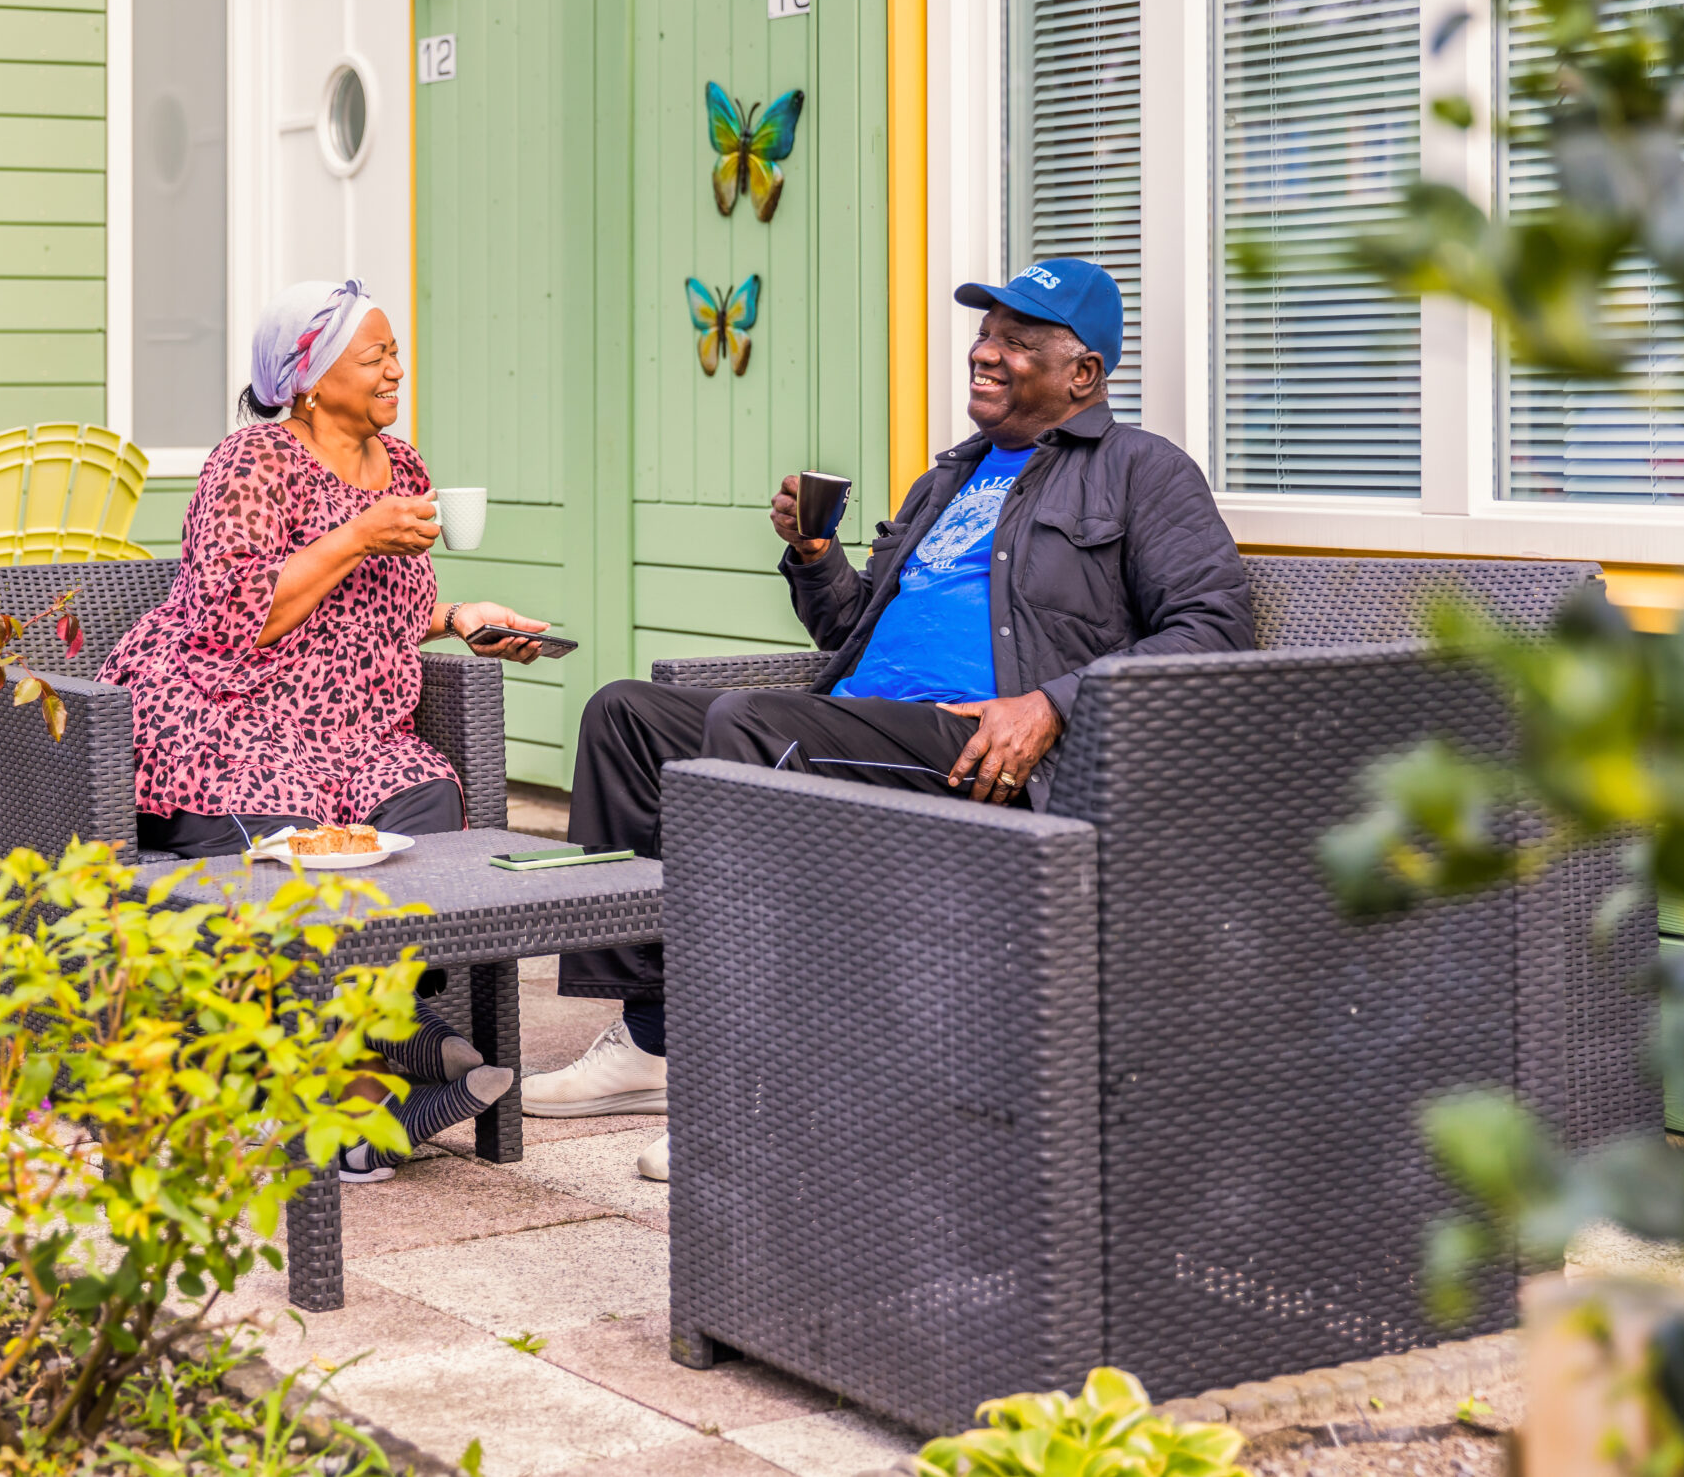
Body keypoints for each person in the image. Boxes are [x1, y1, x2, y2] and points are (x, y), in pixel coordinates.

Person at [522, 259, 1254, 1182]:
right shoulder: (949, 477)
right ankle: (654, 1041)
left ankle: (768, 1088)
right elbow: (849, 628)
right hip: (863, 722)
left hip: (983, 750)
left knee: (753, 730)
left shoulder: (1142, 470)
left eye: (1017, 342)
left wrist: (1053, 704)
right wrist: (812, 552)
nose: (985, 353)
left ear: (1083, 374)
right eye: (985, 335)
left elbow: (1214, 629)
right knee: (625, 715)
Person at [99, 276, 550, 1181]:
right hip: (225, 711)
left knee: (428, 808)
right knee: (298, 859)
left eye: (394, 351)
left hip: (353, 730)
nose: (395, 368)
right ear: (308, 378)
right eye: (374, 354)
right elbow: (235, 621)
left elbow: (384, 613)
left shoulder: (404, 466)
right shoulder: (251, 463)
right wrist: (356, 536)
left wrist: (461, 617)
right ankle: (370, 1095)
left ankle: (378, 1063)